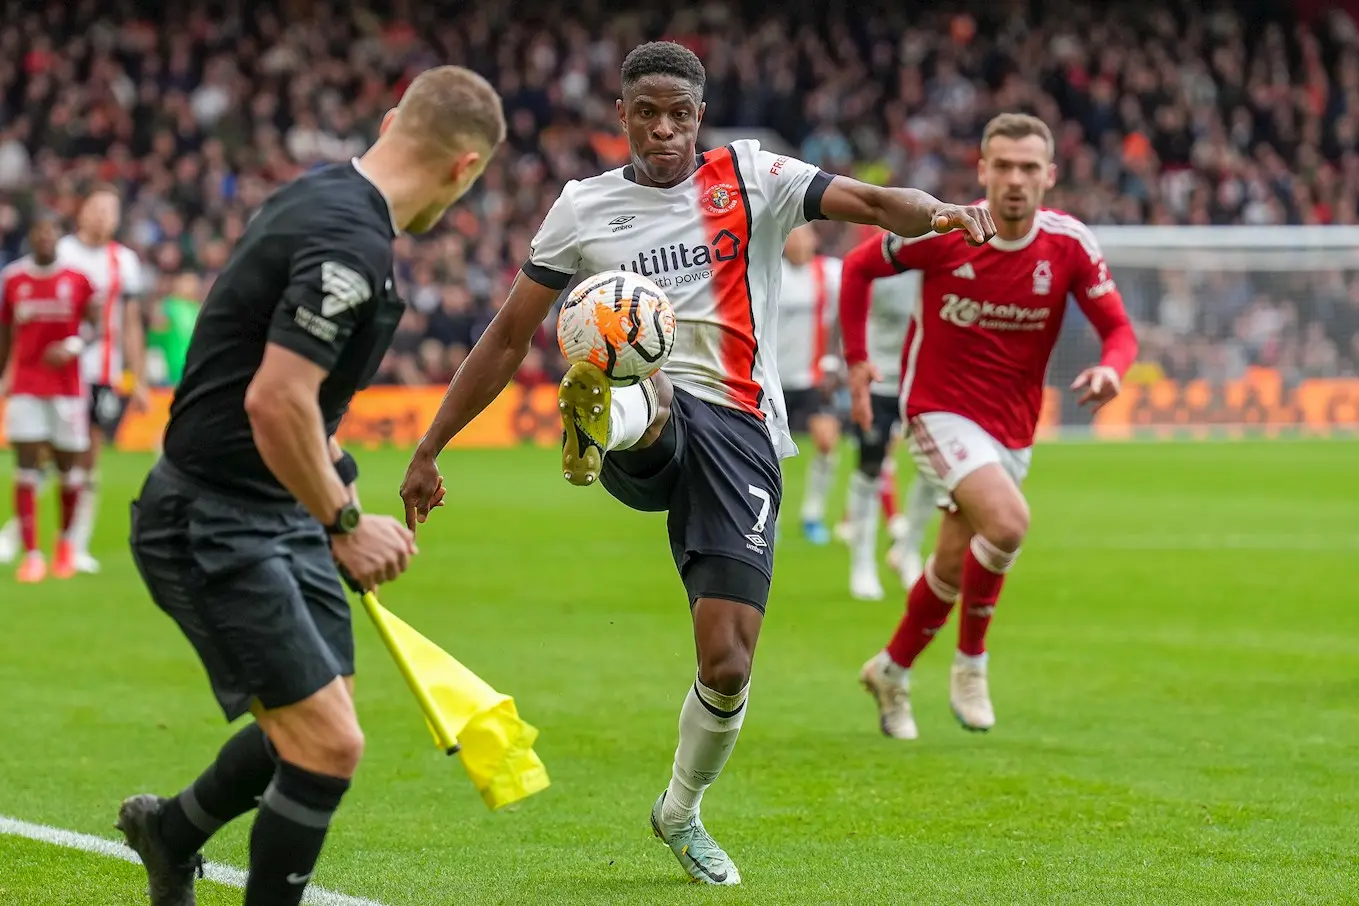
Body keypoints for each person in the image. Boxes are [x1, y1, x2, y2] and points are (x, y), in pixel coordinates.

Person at [398, 42, 994, 886]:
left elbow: (864, 199)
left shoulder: (750, 177)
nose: (664, 128)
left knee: (727, 662)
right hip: (653, 408)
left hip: (744, 432)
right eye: (647, 112)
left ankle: (679, 810)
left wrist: (936, 211)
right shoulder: (582, 209)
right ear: (623, 116)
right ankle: (606, 419)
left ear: (699, 114)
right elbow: (502, 338)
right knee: (636, 353)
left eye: (679, 113)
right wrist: (430, 446)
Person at [116, 66, 503, 906]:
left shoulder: (322, 198)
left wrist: (339, 493)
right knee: (328, 745)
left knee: (323, 721)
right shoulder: (349, 244)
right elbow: (276, 399)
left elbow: (293, 398)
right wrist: (346, 518)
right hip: (210, 519)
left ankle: (170, 832)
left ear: (395, 116)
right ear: (464, 169)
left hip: (272, 507)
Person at [845, 113, 1137, 740]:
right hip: (937, 410)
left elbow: (1120, 330)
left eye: (1028, 168)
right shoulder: (947, 230)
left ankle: (890, 670)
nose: (1014, 179)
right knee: (1008, 523)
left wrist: (1113, 370)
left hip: (1012, 428)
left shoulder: (1069, 244)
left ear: (1049, 177)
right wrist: (856, 361)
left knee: (952, 563)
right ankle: (972, 664)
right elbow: (858, 269)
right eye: (1001, 165)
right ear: (981, 170)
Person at [0, 213, 99, 582]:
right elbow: (5, 333)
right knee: (25, 465)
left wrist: (73, 346)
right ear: (30, 236)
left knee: (67, 468)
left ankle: (64, 547)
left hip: (67, 387)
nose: (45, 237)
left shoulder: (77, 280)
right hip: (26, 384)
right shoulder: (13, 279)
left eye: (51, 231)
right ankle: (32, 555)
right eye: (39, 231)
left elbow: (95, 325)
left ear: (59, 236)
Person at [830, 240, 922, 600]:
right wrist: (852, 366)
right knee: (869, 469)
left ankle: (908, 548)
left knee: (938, 472)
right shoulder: (875, 270)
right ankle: (862, 564)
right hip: (880, 382)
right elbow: (847, 313)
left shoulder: (935, 265)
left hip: (922, 383)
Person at [775, 223, 842, 545]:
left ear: (815, 240)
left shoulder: (829, 274)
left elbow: (845, 315)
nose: (799, 243)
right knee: (770, 452)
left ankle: (813, 515)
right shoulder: (772, 274)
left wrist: (834, 362)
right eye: (793, 237)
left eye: (805, 236)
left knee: (827, 442)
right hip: (773, 379)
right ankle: (769, 516)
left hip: (812, 378)